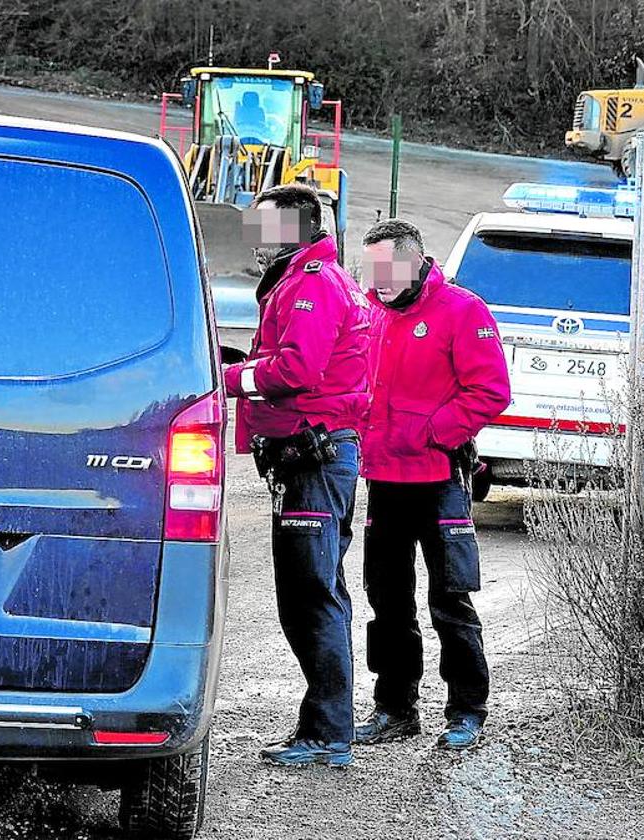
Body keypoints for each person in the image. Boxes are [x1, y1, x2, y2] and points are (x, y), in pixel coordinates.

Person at [224, 184, 371, 767]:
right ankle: (324, 726)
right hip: (311, 456)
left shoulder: (312, 284)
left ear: (298, 229)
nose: (255, 240)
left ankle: (330, 733)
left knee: (313, 597)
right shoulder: (305, 280)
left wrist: (233, 380)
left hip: (315, 457)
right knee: (309, 596)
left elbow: (298, 369)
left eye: (265, 228)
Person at [354, 219, 511, 751]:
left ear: (415, 261)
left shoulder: (463, 311)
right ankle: (395, 708)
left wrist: (434, 434)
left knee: (450, 599)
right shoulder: (372, 312)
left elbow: (490, 391)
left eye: (387, 268)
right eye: (371, 268)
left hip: (439, 478)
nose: (377, 280)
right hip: (383, 480)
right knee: (388, 601)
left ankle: (467, 710)